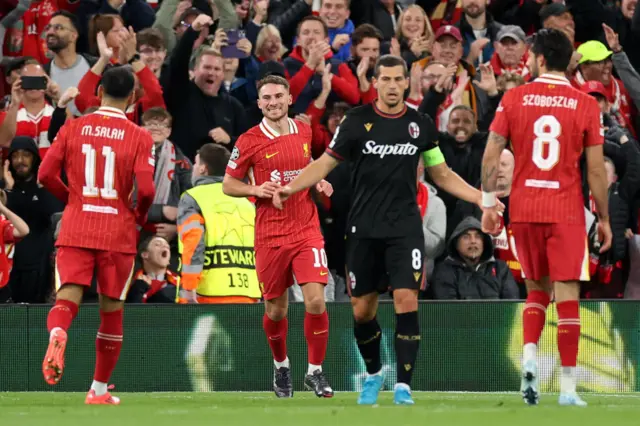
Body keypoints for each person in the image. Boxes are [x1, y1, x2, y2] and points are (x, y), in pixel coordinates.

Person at [273, 55, 485, 405]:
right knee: (362, 311)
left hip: (404, 228)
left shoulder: (420, 124)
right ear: (375, 83)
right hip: (363, 228)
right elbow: (326, 162)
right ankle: (373, 374)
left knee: (406, 300)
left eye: (397, 79)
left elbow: (442, 174)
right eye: (384, 79)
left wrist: (483, 198)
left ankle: (403, 385)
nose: (390, 85)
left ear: (406, 83)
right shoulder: (357, 121)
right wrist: (291, 187)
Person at [480, 29, 612, 407]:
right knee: (568, 295)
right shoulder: (585, 104)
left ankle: (529, 359)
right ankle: (568, 388)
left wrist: (489, 204)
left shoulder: (513, 98)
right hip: (567, 210)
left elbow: (491, 155)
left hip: (524, 209)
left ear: (538, 59)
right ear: (568, 61)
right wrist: (603, 218)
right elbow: (597, 172)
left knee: (536, 290)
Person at [37, 66, 156, 405]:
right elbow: (146, 189)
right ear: (132, 97)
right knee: (111, 311)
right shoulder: (139, 136)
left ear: (99, 90)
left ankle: (59, 332)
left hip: (77, 225)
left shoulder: (73, 128)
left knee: (66, 299)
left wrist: (73, 200)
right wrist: (139, 215)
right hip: (117, 230)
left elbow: (45, 173)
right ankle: (99, 390)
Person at [222, 74, 334, 399]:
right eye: (266, 97)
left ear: (288, 99)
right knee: (276, 311)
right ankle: (281, 365)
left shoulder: (304, 130)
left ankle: (315, 372)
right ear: (259, 103)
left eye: (278, 96)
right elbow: (229, 183)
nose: (273, 102)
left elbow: (308, 165)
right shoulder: (248, 140)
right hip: (270, 234)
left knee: (315, 299)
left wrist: (318, 182)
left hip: (306, 229)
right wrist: (256, 189)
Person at [178, 143, 261, 304]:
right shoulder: (246, 202)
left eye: (196, 163)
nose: (194, 168)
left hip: (207, 294)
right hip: (249, 293)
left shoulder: (193, 197)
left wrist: (188, 288)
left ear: (203, 168)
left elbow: (193, 241)